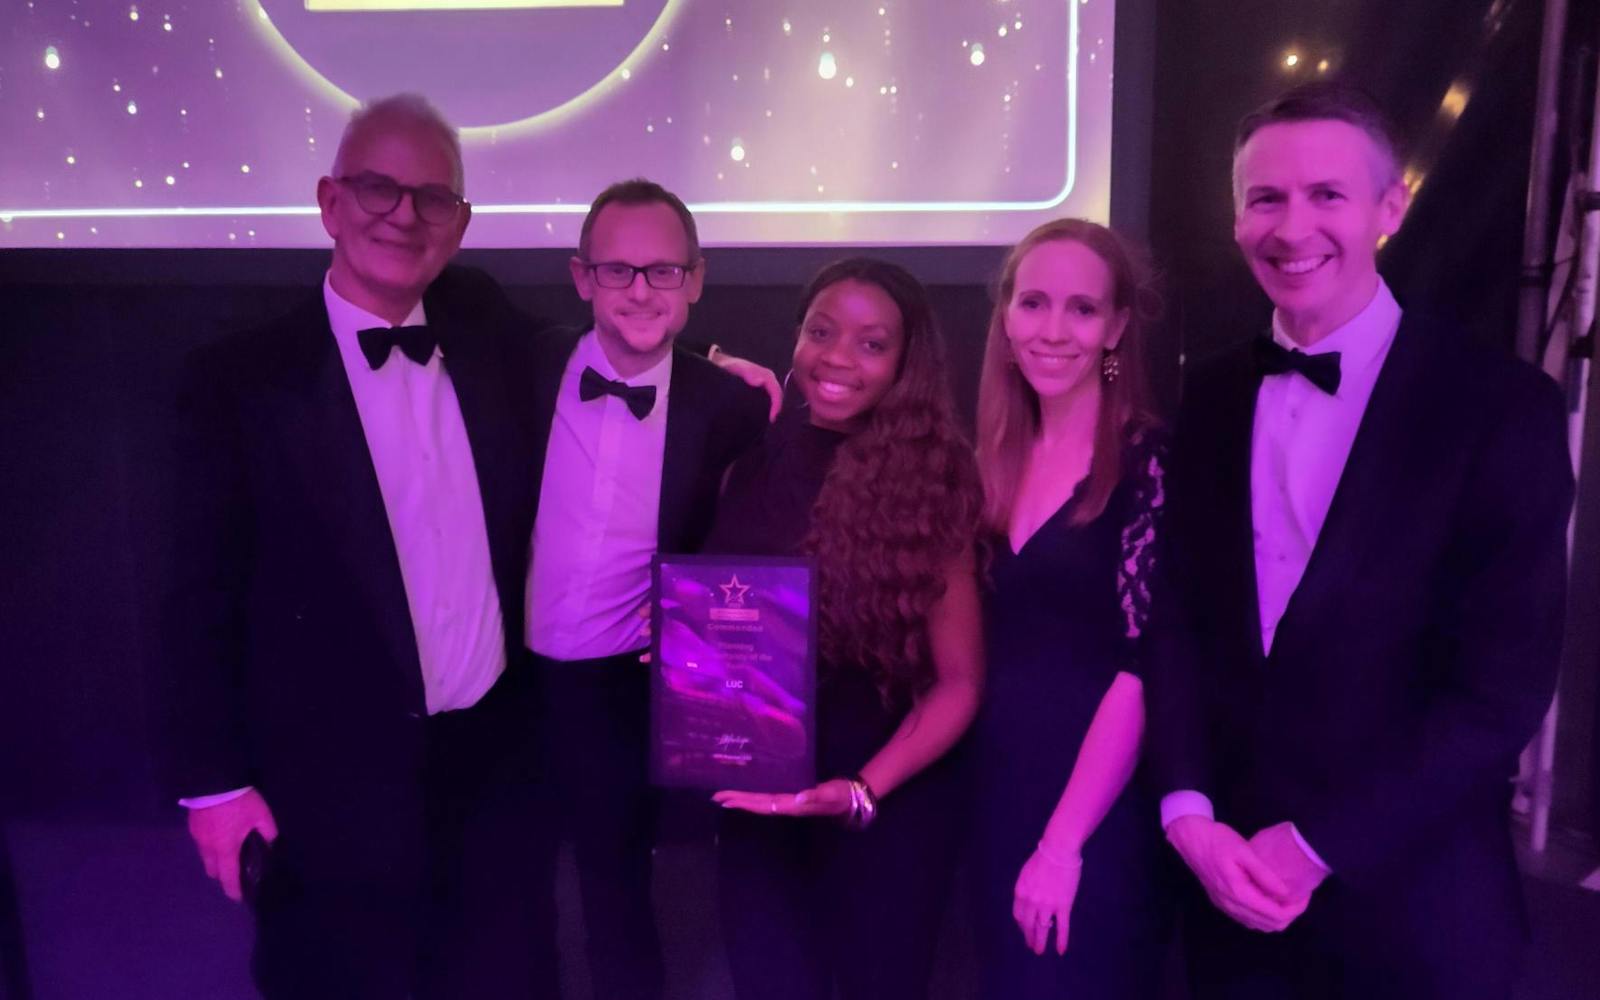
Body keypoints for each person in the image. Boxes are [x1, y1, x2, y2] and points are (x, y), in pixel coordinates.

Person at [1147, 81, 1574, 999]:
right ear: (1235, 218)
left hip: (1413, 910)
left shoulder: (1500, 410)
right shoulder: (1212, 393)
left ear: (1391, 208)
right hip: (1228, 904)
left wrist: (1315, 848)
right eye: (1266, 198)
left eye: (1326, 195)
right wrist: (1187, 813)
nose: (1292, 228)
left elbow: (1500, 693)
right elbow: (1178, 617)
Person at [163, 94, 553, 998]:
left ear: (460, 225)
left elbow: (592, 356)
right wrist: (213, 785)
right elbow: (197, 597)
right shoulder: (237, 381)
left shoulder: (486, 328)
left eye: (432, 198)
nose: (404, 216)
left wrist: (711, 370)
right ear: (330, 203)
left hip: (490, 770)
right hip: (324, 787)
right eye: (378, 188)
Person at [703, 258, 985, 1000]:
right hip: (759, 808)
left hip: (883, 809)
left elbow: (960, 685)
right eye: (821, 331)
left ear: (905, 362)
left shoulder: (934, 481)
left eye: (871, 343)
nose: (836, 358)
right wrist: (681, 644)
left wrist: (860, 791)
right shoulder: (752, 462)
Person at [517, 178, 772, 1000]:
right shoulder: (522, 364)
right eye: (617, 270)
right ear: (580, 276)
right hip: (500, 670)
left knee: (615, 878)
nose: (640, 291)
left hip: (620, 679)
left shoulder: (728, 404)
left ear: (696, 280)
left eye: (663, 272)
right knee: (498, 875)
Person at [969, 218, 1172, 998]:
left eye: (1082, 310)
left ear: (1117, 326)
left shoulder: (1151, 464)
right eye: (1033, 303)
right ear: (1007, 316)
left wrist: (1062, 844)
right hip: (993, 791)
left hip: (1093, 811)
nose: (1052, 331)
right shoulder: (988, 457)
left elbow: (1142, 670)